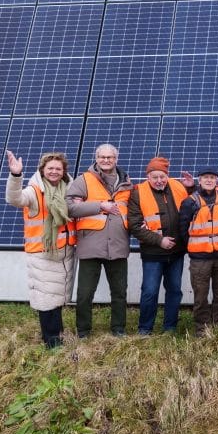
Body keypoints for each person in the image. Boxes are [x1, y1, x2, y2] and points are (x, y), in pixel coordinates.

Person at [5, 150, 77, 349]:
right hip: (42, 252)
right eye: (50, 168)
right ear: (42, 170)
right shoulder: (34, 191)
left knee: (57, 297)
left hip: (64, 252)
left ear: (64, 172)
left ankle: (58, 335)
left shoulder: (69, 190)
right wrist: (15, 175)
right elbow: (14, 199)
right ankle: (51, 341)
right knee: (46, 299)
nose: (54, 172)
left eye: (58, 168)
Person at [67, 144, 133, 337]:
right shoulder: (83, 180)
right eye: (102, 157)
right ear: (96, 158)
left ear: (116, 159)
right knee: (85, 293)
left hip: (118, 245)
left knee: (119, 292)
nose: (106, 160)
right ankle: (83, 331)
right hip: (90, 245)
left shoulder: (127, 183)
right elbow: (69, 207)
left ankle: (118, 329)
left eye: (110, 157)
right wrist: (100, 206)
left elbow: (135, 210)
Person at [128, 157, 193, 335]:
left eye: (162, 176)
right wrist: (159, 240)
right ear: (148, 176)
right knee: (150, 291)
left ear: (167, 175)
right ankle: (145, 328)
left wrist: (192, 187)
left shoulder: (179, 186)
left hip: (177, 252)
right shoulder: (137, 192)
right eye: (154, 177)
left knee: (174, 290)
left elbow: (193, 206)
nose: (159, 181)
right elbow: (134, 225)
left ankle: (170, 327)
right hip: (153, 253)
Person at [179, 168, 218, 336]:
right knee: (200, 296)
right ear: (200, 180)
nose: (209, 180)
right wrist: (192, 248)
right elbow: (182, 229)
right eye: (206, 178)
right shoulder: (190, 201)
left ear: (217, 180)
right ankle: (201, 329)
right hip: (200, 259)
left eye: (212, 177)